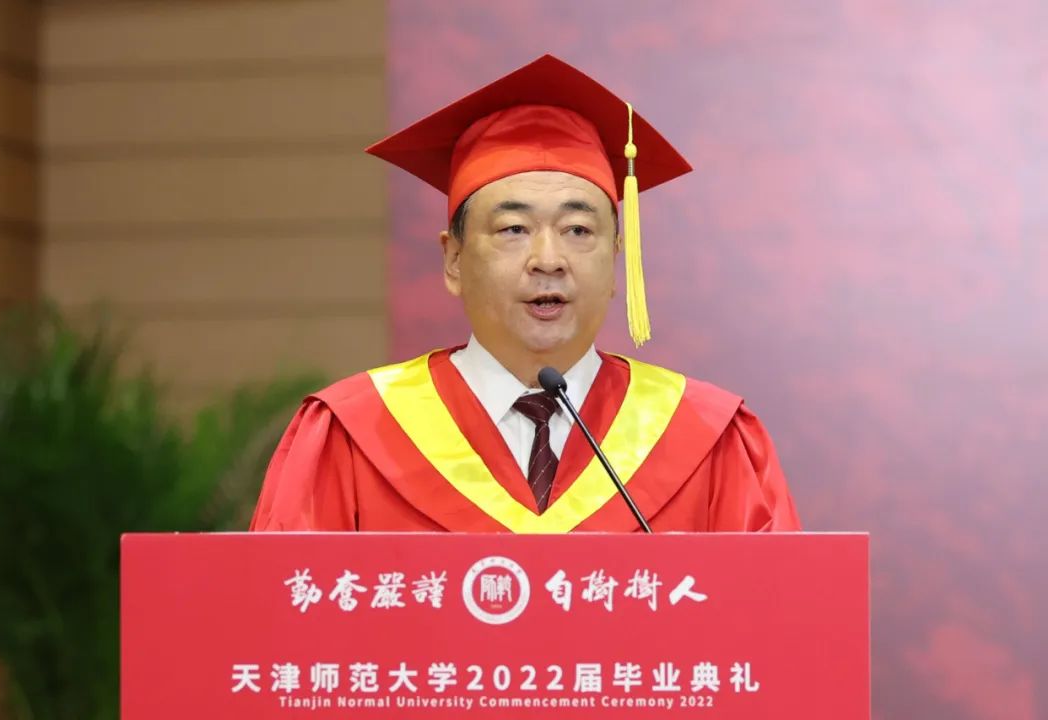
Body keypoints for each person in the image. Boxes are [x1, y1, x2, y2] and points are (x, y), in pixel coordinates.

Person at [248, 54, 800, 533]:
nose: (548, 259)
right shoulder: (354, 433)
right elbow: (281, 613)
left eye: (578, 230)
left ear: (616, 261)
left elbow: (777, 615)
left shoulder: (708, 438)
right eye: (513, 229)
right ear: (454, 260)